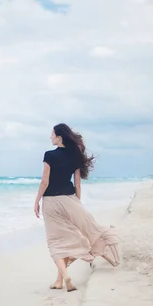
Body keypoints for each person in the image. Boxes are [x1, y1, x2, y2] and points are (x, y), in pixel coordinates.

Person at [34, 123, 120, 292]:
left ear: (59, 137)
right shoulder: (75, 157)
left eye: (52, 134)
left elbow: (45, 181)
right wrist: (76, 203)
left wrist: (36, 200)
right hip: (70, 200)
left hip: (51, 202)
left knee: (55, 241)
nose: (50, 137)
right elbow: (77, 184)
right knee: (81, 233)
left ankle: (65, 276)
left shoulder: (49, 155)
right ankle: (59, 281)